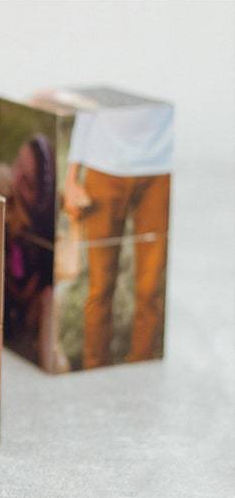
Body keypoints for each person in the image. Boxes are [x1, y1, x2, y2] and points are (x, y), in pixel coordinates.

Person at [63, 100, 172, 368]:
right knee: (100, 284)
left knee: (151, 287)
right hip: (103, 168)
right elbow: (87, 107)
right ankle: (94, 367)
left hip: (160, 168)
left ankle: (144, 366)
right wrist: (71, 177)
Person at [3, 135, 67, 371]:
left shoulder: (40, 248)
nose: (15, 179)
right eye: (18, 163)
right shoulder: (0, 186)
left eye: (28, 183)